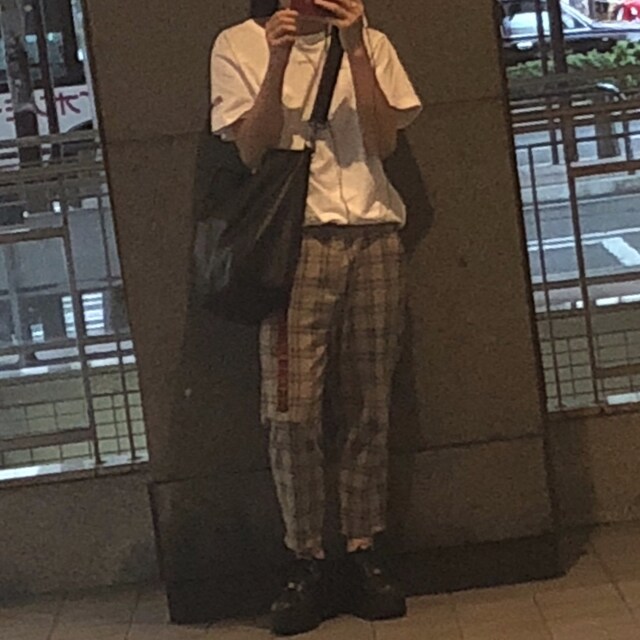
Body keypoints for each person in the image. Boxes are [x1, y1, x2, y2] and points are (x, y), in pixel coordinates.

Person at [210, 0, 422, 634]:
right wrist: (276, 61)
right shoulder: (238, 44)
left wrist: (355, 49)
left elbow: (383, 141)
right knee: (291, 412)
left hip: (374, 237)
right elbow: (251, 149)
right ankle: (304, 559)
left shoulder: (371, 42)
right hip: (293, 248)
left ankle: (363, 550)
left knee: (369, 405)